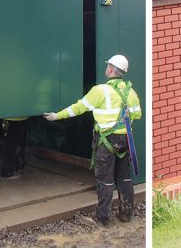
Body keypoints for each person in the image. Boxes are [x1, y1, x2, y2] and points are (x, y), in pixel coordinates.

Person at [43, 54, 141, 226]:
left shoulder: (100, 91)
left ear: (111, 69)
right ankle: (126, 214)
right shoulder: (131, 92)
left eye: (108, 66)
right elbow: (137, 114)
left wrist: (56, 116)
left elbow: (78, 108)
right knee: (124, 178)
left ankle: (103, 218)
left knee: (105, 180)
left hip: (107, 140)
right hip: (125, 140)